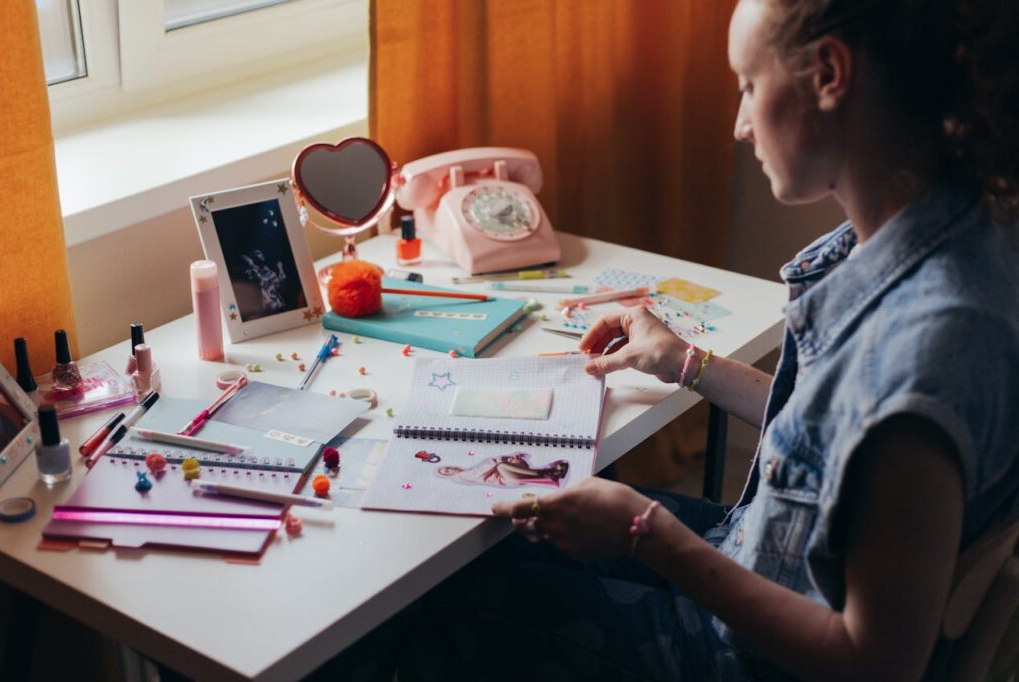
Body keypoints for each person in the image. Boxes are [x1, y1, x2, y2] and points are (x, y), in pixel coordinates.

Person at [321, 0, 1019, 679]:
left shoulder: (927, 349)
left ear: (830, 76)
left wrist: (646, 534)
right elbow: (836, 437)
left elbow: (874, 662)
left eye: (749, 86)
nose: (741, 125)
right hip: (754, 558)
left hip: (745, 652)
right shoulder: (953, 236)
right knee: (484, 549)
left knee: (434, 604)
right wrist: (687, 363)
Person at [436, 453, 570, 488]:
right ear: (449, 475)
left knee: (511, 462)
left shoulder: (467, 472)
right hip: (508, 479)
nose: (450, 469)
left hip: (513, 474)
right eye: (447, 471)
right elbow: (486, 466)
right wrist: (500, 459)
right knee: (501, 466)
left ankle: (548, 473)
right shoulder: (463, 475)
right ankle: (546, 472)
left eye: (447, 467)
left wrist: (512, 458)